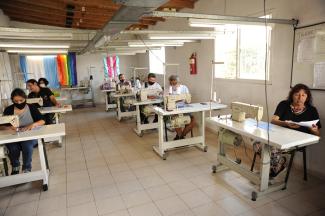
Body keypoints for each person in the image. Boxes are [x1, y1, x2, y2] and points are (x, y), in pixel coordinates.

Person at [255, 83, 321, 177]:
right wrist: (285, 123)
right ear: (292, 95)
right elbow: (273, 121)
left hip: (297, 140)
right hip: (279, 135)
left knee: (272, 148)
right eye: (297, 94)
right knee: (257, 143)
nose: (300, 98)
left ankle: (272, 170)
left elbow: (318, 135)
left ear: (307, 97)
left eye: (303, 95)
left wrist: (314, 130)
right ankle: (278, 165)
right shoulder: (284, 104)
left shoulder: (312, 110)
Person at [2, 88, 45, 174]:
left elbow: (42, 120)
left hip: (30, 134)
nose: (19, 103)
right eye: (16, 101)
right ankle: (15, 166)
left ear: (25, 98)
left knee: (27, 144)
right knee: (12, 146)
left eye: (21, 100)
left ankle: (26, 167)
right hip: (14, 135)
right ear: (12, 100)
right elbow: (1, 126)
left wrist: (32, 125)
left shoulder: (31, 107)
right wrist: (9, 128)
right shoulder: (8, 110)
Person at [168, 75, 195, 140]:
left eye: (175, 83)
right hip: (174, 108)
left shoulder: (184, 88)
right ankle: (180, 137)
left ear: (178, 82)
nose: (173, 85)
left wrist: (185, 100)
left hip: (184, 107)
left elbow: (188, 99)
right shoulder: (169, 89)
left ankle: (181, 136)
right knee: (177, 121)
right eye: (172, 83)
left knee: (193, 120)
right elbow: (167, 100)